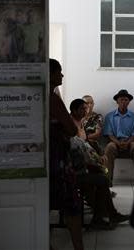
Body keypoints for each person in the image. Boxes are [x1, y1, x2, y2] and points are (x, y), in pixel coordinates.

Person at [69, 98, 130, 229]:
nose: (85, 111)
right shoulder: (70, 125)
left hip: (83, 164)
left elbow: (87, 144)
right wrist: (92, 161)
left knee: (101, 174)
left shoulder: (81, 123)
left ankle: (106, 215)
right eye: (82, 109)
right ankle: (104, 216)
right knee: (101, 179)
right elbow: (75, 150)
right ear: (73, 110)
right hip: (74, 169)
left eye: (86, 108)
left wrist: (98, 157)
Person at [49, 59, 83, 250]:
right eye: (58, 72)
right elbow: (71, 129)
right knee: (71, 204)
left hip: (49, 155)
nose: (61, 75)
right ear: (50, 74)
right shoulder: (52, 98)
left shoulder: (41, 96)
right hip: (58, 157)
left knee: (46, 200)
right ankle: (79, 246)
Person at [103, 89, 134, 184]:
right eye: (121, 100)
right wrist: (118, 143)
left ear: (129, 101)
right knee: (109, 147)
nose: (123, 102)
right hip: (115, 142)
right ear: (117, 101)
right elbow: (109, 134)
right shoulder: (109, 116)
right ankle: (107, 180)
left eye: (126, 100)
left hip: (130, 142)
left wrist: (127, 143)